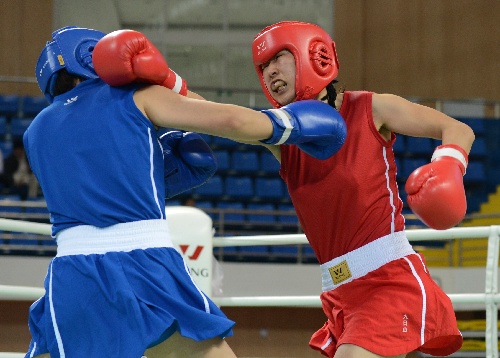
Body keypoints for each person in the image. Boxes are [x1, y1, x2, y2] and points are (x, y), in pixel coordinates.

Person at [23, 26, 347, 358]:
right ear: (94, 55)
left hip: (71, 272)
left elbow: (99, 187)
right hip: (143, 260)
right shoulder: (134, 97)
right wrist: (289, 124)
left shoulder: (35, 132)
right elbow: (228, 121)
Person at [249, 21, 475, 358]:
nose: (270, 72)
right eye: (263, 66)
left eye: (278, 58)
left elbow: (456, 129)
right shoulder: (283, 138)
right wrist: (173, 90)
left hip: (387, 281)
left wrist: (448, 165)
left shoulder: (372, 108)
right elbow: (225, 120)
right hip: (339, 291)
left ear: (313, 55)